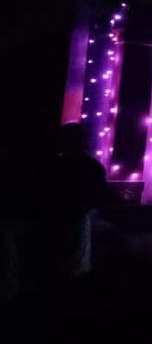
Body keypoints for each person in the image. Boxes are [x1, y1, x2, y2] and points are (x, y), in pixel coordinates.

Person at [20, 123, 107, 288]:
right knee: (70, 263)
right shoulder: (84, 166)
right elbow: (99, 194)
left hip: (67, 218)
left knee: (65, 261)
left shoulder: (57, 165)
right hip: (68, 217)